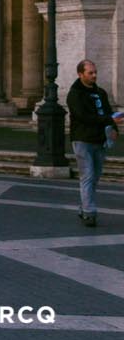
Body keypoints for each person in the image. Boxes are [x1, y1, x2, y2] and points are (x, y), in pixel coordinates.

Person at [69, 59, 122, 227]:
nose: (94, 75)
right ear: (80, 74)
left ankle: (83, 207)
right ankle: (89, 213)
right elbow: (83, 117)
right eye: (90, 73)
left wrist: (114, 127)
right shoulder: (75, 94)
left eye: (95, 72)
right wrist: (108, 119)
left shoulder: (100, 92)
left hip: (99, 139)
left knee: (95, 177)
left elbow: (108, 112)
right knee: (88, 175)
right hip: (82, 139)